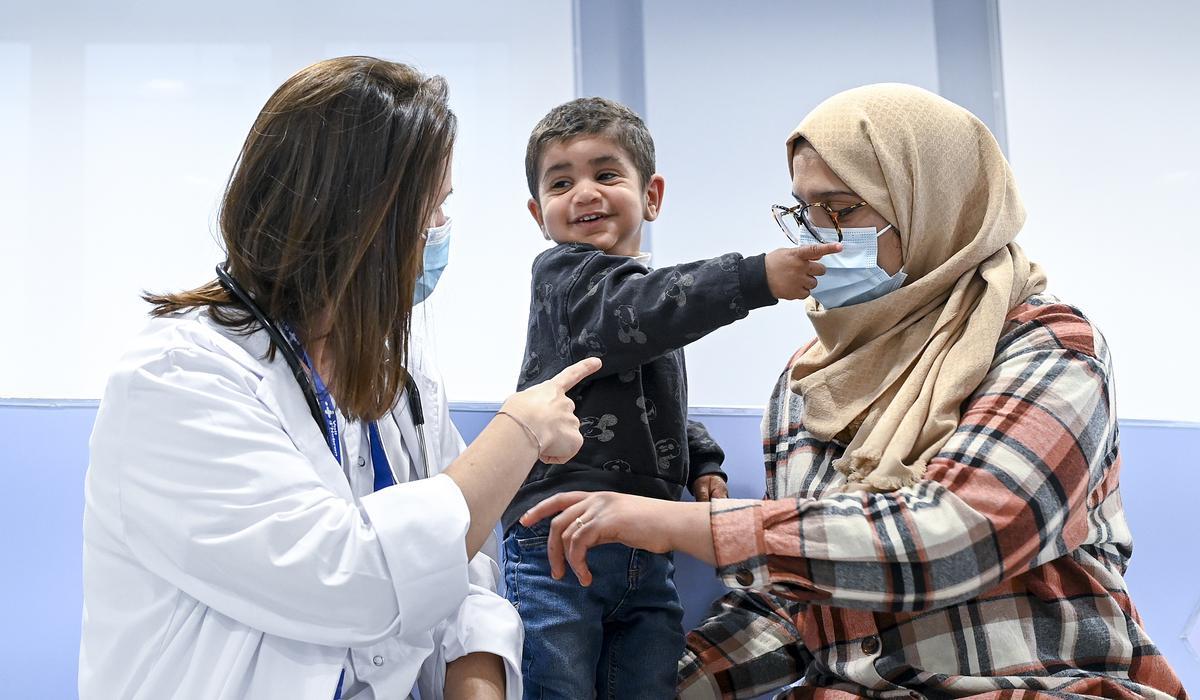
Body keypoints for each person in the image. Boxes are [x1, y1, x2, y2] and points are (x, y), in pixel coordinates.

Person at [522, 84, 1189, 699]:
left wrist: (679, 523)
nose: (821, 241)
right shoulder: (809, 380)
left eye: (842, 211)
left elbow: (956, 535)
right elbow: (798, 605)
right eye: (805, 215)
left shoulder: (1043, 345)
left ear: (930, 205)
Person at [79, 56, 600, 700]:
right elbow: (354, 580)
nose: (440, 233)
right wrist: (520, 430)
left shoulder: (401, 376)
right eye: (429, 210)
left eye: (444, 208)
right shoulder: (178, 379)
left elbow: (462, 581)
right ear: (353, 220)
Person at [505, 97, 840, 699]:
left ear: (652, 195)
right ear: (538, 212)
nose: (584, 193)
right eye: (561, 183)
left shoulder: (642, 303)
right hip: (557, 539)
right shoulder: (566, 279)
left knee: (650, 680)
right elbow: (646, 310)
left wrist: (703, 460)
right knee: (556, 684)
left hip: (644, 543)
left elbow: (657, 402)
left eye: (606, 175)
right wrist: (754, 276)